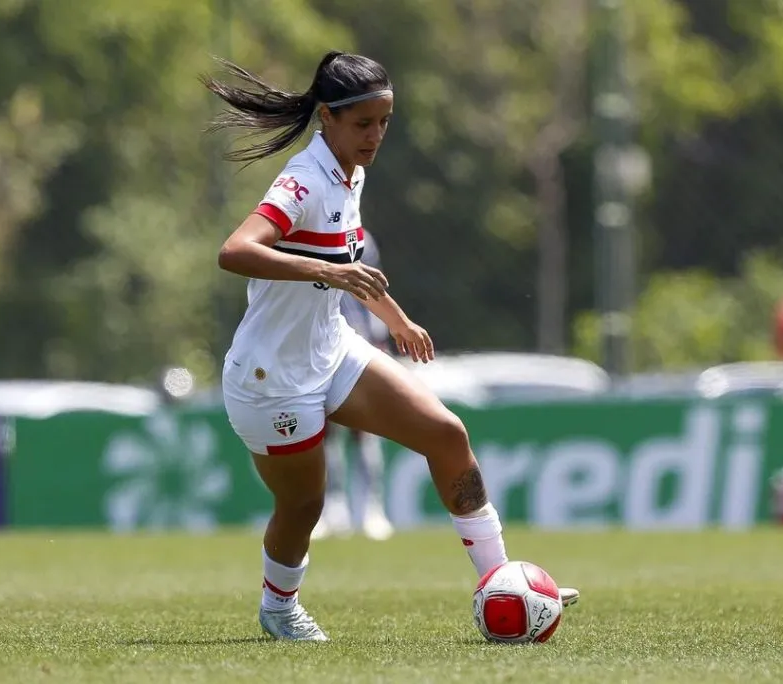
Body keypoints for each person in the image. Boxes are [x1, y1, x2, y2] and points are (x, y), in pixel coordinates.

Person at [203, 50, 579, 642]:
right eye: (363, 124)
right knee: (305, 507)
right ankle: (278, 607)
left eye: (384, 122)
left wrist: (395, 318)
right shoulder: (302, 180)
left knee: (447, 435)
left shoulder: (352, 170)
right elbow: (235, 251)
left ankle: (500, 581)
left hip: (331, 350)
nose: (376, 135)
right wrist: (326, 274)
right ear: (326, 117)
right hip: (269, 376)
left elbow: (347, 264)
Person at [310, 228, 394, 542]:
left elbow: (373, 292)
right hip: (319, 346)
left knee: (366, 432)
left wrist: (380, 337)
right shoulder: (307, 235)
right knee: (325, 433)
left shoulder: (361, 239)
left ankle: (373, 509)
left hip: (358, 342)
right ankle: (333, 508)